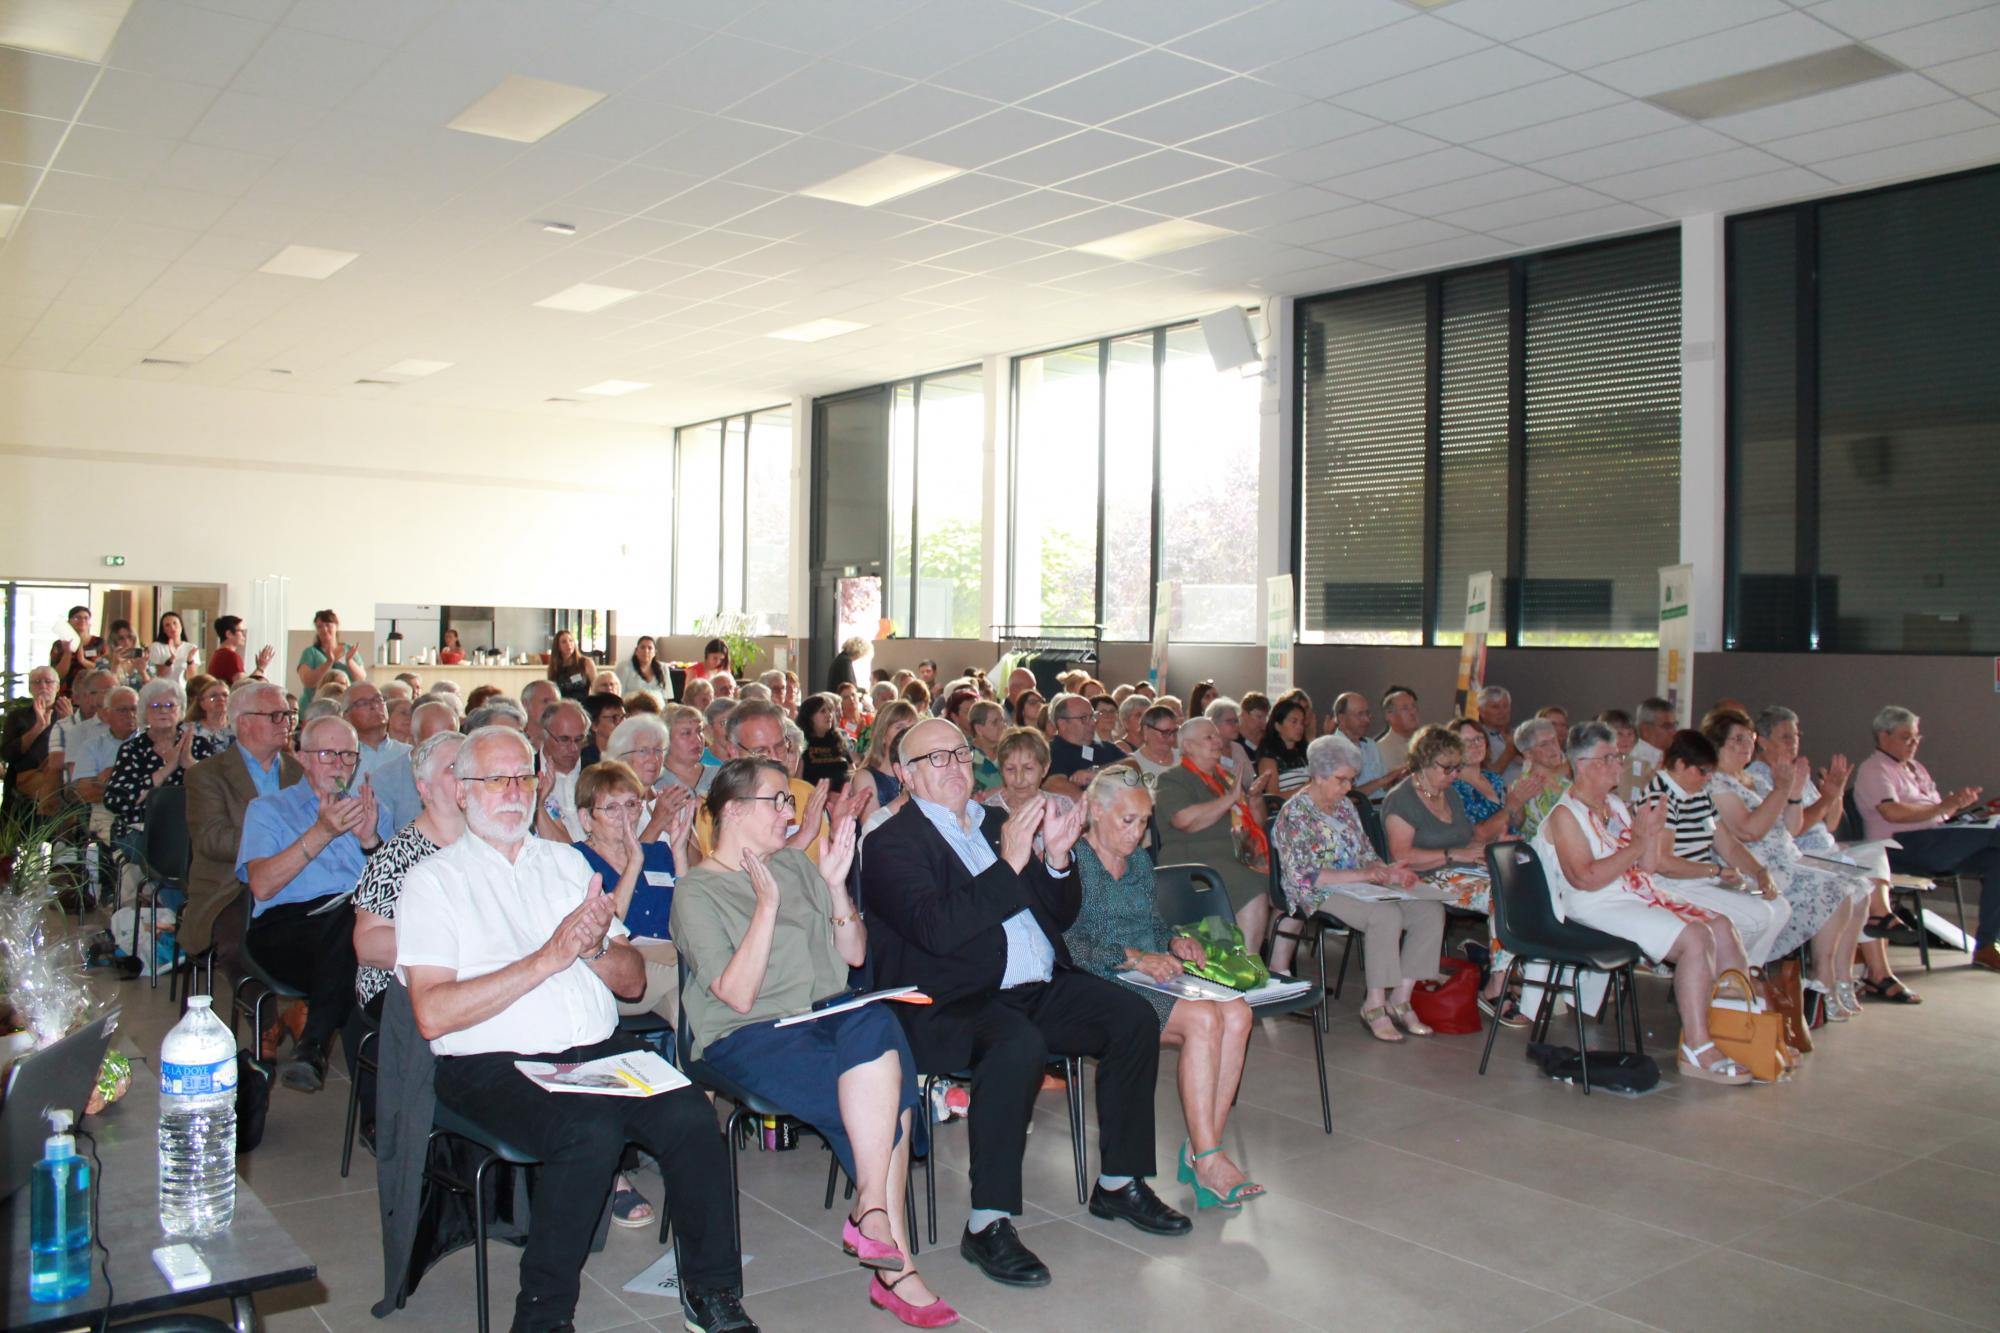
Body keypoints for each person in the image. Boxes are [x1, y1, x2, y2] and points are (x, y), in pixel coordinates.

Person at [396, 727, 754, 1333]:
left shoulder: (565, 864)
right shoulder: (433, 882)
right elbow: (433, 1013)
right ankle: (542, 1314)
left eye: (523, 778)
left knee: (692, 1113)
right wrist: (549, 956)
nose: (513, 792)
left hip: (593, 1050)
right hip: (492, 1062)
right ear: (461, 791)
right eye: (495, 779)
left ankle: (711, 1293)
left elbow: (633, 981)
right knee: (586, 1130)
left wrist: (590, 950)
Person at [861, 718, 1189, 1288]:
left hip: (1033, 985)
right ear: (903, 776)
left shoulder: (993, 822)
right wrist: (1010, 862)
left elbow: (1055, 914)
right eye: (935, 759)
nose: (956, 766)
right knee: (1017, 1045)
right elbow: (937, 931)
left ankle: (1120, 1182)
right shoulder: (890, 842)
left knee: (1132, 1016)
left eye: (961, 754)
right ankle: (988, 1222)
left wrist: (1057, 861)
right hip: (948, 1000)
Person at [674, 760, 953, 1327]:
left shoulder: (798, 868)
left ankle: (872, 1210)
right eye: (776, 800)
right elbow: (736, 995)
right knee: (886, 1089)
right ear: (733, 810)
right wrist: (767, 906)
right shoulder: (697, 889)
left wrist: (833, 887)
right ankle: (895, 1271)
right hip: (746, 1034)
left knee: (877, 1021)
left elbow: (852, 956)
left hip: (824, 1017)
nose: (791, 811)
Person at [1065, 767, 1262, 1210]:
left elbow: (1150, 924)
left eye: (1143, 821)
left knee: (1239, 1012)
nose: (1137, 834)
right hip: (1099, 980)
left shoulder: (1136, 861)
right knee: (1206, 1018)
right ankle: (1209, 1157)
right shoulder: (1072, 861)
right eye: (1127, 820)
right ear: (1095, 811)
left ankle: (1200, 1149)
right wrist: (1135, 957)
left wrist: (1173, 940)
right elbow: (1067, 943)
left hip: (1146, 972)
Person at [1534, 721, 1754, 1084]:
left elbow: (1647, 866)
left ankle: (1738, 1028)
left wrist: (1650, 834)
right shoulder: (1565, 814)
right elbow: (1585, 878)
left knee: (1722, 926)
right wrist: (1638, 843)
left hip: (1631, 891)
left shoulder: (1615, 805)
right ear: (1585, 763)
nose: (1619, 764)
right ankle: (1697, 1048)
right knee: (1697, 937)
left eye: (1618, 757)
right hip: (1594, 904)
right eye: (1611, 758)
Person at [238, 713, 388, 1092]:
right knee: (356, 930)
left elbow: (393, 892)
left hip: (352, 933)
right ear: (302, 757)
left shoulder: (372, 810)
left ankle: (315, 1047)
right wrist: (321, 832)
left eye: (348, 756)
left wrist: (371, 843)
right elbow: (262, 886)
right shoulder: (269, 810)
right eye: (327, 755)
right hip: (287, 928)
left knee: (358, 939)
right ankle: (374, 1111)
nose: (339, 765)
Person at [1271, 734, 1444, 1041]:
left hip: (1359, 885)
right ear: (1319, 776)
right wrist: (1364, 875)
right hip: (1318, 892)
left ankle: (1400, 998)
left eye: (1350, 780)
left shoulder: (1344, 808)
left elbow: (1364, 851)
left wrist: (1386, 871)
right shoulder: (1295, 813)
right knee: (1385, 915)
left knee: (1430, 910)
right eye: (1342, 780)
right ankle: (1374, 1005)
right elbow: (1304, 875)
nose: (1348, 787)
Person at [1705, 709, 1872, 1013]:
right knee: (1836, 889)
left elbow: (1792, 826)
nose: (1746, 746)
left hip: (1789, 858)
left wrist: (1794, 794)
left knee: (1858, 882)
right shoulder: (1716, 783)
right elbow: (1749, 830)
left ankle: (1841, 980)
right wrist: (1783, 789)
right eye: (1737, 740)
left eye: (1749, 739)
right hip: (1755, 867)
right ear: (1717, 744)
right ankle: (1822, 981)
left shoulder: (1752, 779)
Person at [1750, 708, 1912, 1001]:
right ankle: (1826, 978)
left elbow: (1831, 823)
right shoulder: (1763, 776)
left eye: (1797, 735)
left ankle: (1843, 977)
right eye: (1785, 737)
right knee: (1848, 885)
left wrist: (1834, 793)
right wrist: (1825, 798)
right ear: (1761, 741)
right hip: (1798, 855)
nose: (1794, 742)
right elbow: (1793, 829)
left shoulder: (1796, 770)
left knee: (1866, 873)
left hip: (1825, 849)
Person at [1853, 705, 2000, 974]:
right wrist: (1943, 807)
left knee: (1997, 860)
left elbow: (1935, 814)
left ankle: (1987, 945)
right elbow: (1892, 812)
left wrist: (1956, 805)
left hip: (1933, 841)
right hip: (1900, 847)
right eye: (1906, 737)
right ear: (1884, 737)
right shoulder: (1874, 769)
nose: (1913, 744)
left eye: (1916, 737)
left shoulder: (1916, 768)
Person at [1639, 729, 1793, 968]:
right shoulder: (1661, 796)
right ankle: (1727, 976)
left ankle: (1743, 975)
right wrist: (1716, 871)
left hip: (1700, 878)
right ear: (1680, 765)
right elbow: (1664, 864)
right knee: (1758, 919)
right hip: (1671, 884)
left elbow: (1729, 846)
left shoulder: (1698, 795)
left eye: (1710, 771)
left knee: (1779, 907)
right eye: (1703, 771)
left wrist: (1760, 872)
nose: (1708, 778)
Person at [184, 682, 301, 978]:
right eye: (275, 715)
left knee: (331, 931)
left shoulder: (300, 772)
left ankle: (308, 1015)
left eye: (287, 714)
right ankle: (270, 1022)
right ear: (244, 722)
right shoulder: (207, 775)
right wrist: (282, 847)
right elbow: (212, 839)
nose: (285, 723)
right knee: (243, 946)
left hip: (297, 880)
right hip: (230, 889)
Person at [353, 730, 464, 1017]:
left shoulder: (490, 845)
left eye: (473, 765)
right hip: (399, 987)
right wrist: (460, 946)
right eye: (454, 767)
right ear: (424, 789)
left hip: (474, 978)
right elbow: (368, 945)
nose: (468, 775)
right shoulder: (398, 855)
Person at [1154, 717, 1273, 953]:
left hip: (1235, 855)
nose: (1217, 741)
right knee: (1251, 885)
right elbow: (1184, 820)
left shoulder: (1225, 778)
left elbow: (1256, 824)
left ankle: (1275, 964)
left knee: (1284, 883)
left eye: (1217, 735)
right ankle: (1248, 965)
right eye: (1209, 737)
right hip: (1192, 860)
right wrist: (1228, 799)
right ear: (1187, 746)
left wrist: (1256, 798)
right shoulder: (1173, 778)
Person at [104, 678, 219, 845]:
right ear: (144, 711)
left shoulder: (199, 745)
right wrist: (167, 769)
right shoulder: (132, 749)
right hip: (141, 832)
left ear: (181, 711)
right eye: (156, 706)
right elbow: (115, 801)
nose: (163, 711)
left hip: (189, 831)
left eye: (170, 706)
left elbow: (216, 793)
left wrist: (190, 764)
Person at [343, 681, 421, 833]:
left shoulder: (409, 755)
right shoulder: (341, 758)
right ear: (346, 716)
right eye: (363, 703)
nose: (374, 706)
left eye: (378, 700)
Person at [3, 665, 67, 824]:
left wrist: (70, 724)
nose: (43, 686)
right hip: (23, 786)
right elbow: (8, 755)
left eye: (48, 682)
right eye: (37, 682)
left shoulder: (67, 713)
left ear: (57, 687)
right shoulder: (17, 716)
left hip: (60, 785)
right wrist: (39, 727)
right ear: (30, 688)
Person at [533, 699, 591, 841]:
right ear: (544, 733)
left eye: (579, 739)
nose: (573, 748)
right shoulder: (527, 773)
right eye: (564, 739)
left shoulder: (597, 772)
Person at [1329, 692, 1401, 801]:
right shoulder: (1331, 748)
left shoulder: (1370, 744)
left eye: (1368, 714)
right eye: (1360, 715)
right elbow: (1346, 797)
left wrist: (1397, 776)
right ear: (1342, 719)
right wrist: (1381, 781)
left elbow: (1385, 785)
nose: (1367, 720)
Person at [1509, 717, 1569, 840]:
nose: (1553, 749)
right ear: (1528, 754)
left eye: (1554, 741)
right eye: (1544, 745)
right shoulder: (1522, 787)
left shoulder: (1565, 783)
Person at [1042, 692, 1108, 798]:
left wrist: (1098, 774)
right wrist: (1094, 809)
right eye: (1084, 718)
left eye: (1093, 716)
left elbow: (1133, 767)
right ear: (1063, 724)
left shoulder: (1105, 747)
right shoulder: (1051, 751)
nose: (1092, 723)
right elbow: (1054, 785)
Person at [296, 609, 365, 710]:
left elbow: (360, 679)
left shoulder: (349, 650)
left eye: (328, 625)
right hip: (314, 709)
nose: (324, 629)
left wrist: (349, 661)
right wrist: (328, 662)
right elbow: (308, 682)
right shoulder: (310, 652)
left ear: (336, 626)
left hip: (345, 709)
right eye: (320, 626)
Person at [861, 701, 921, 811]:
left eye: (912, 728)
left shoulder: (921, 773)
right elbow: (870, 827)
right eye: (899, 727)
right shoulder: (865, 777)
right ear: (883, 735)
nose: (907, 733)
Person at [1253, 696, 1312, 798]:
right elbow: (1273, 798)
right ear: (1277, 726)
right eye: (1294, 722)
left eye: (1302, 722)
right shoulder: (1269, 757)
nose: (1300, 727)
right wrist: (1307, 788)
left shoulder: (1305, 753)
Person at [798, 693, 853, 789]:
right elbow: (798, 782)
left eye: (830, 711)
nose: (829, 715)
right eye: (823, 711)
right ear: (809, 716)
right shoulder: (801, 744)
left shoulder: (838, 740)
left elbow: (852, 771)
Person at [48, 605, 103, 695]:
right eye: (77, 618)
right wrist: (67, 653)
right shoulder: (59, 645)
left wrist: (83, 661)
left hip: (93, 693)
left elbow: (104, 671)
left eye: (86, 618)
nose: (82, 621)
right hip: (66, 694)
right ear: (69, 622)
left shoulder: (99, 643)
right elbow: (57, 675)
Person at [206, 615, 273, 687]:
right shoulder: (231, 656)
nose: (243, 635)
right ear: (229, 634)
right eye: (240, 631)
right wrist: (261, 668)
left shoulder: (218, 654)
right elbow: (243, 687)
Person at [1474, 685, 1523, 781]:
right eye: (1495, 707)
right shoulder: (1477, 738)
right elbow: (1483, 780)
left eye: (1505, 706)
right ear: (1481, 711)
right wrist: (1509, 753)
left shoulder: (1518, 735)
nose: (1502, 712)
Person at [1129, 704, 1180, 782]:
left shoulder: (1183, 758)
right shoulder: (1133, 764)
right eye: (1165, 733)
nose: (1171, 738)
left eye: (1174, 732)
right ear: (1146, 730)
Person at [1376, 686, 1421, 773]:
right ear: (1390, 715)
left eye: (1414, 706)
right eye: (1405, 708)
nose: (1413, 712)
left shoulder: (1425, 745)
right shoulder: (1379, 751)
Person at [965, 700, 1005, 793]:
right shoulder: (966, 759)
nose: (1002, 726)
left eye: (1002, 721)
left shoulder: (1009, 752)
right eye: (995, 722)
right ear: (978, 728)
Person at [617, 635, 670, 705]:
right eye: (642, 647)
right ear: (636, 651)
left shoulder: (663, 667)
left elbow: (667, 696)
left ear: (655, 652)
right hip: (632, 710)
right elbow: (617, 694)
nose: (646, 651)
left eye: (650, 648)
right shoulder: (624, 667)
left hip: (658, 711)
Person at [147, 611, 199, 682]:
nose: (172, 627)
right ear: (164, 630)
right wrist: (171, 659)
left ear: (181, 626)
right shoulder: (156, 646)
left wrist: (189, 661)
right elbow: (158, 674)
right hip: (162, 689)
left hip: (183, 690)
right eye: (167, 625)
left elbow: (191, 678)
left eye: (175, 623)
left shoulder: (191, 648)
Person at [186, 674, 233, 751]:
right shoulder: (188, 730)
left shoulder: (239, 729)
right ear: (202, 703)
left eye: (225, 695)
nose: (221, 699)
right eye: (213, 696)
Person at [580, 691, 626, 767]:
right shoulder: (584, 760)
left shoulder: (631, 753)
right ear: (594, 725)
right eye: (615, 718)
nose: (622, 723)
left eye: (623, 717)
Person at [547, 629, 593, 702]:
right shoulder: (555, 666)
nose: (568, 644)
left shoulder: (585, 662)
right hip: (562, 706)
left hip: (582, 705)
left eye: (571, 640)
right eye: (564, 642)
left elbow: (596, 686)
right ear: (557, 646)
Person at [519, 678, 560, 749]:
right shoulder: (515, 741)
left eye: (556, 703)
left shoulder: (565, 743)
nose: (552, 708)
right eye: (546, 701)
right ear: (526, 704)